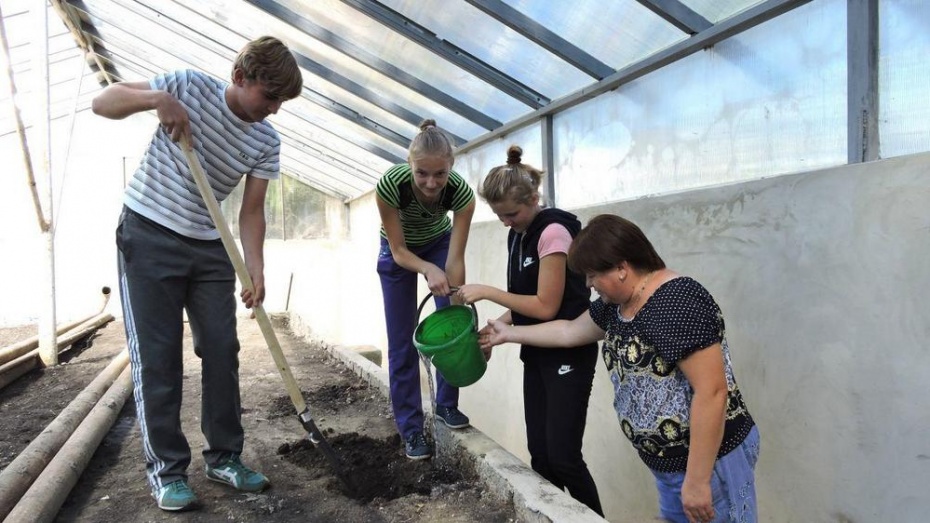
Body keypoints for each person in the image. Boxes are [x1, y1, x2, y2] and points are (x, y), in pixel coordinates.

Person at [92, 36, 303, 511]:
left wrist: (255, 265)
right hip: (147, 235)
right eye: (269, 96)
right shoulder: (187, 87)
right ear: (240, 77)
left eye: (280, 102)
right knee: (159, 357)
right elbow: (101, 102)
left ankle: (225, 457)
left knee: (222, 348)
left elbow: (251, 212)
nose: (274, 110)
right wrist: (157, 100)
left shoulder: (267, 139)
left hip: (211, 247)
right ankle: (166, 471)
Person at [483, 214, 760, 523]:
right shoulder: (619, 305)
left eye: (591, 275)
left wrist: (697, 481)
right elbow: (570, 331)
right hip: (670, 467)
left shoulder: (676, 301)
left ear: (621, 268)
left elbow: (712, 392)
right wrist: (507, 334)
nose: (587, 284)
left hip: (711, 464)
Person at [455, 145, 603, 515]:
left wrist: (487, 291)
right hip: (536, 350)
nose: (506, 221)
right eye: (500, 215)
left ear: (534, 198)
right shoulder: (518, 233)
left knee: (565, 457)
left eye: (511, 213)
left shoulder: (553, 233)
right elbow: (524, 302)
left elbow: (545, 306)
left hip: (568, 351)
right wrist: (495, 327)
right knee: (541, 455)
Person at [375, 119, 476, 460]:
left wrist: (457, 296)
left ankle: (446, 405)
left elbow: (456, 255)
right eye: (422, 173)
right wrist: (427, 268)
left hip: (438, 243)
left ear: (451, 168)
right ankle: (412, 430)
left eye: (440, 174)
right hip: (397, 251)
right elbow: (401, 251)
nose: (431, 183)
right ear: (410, 165)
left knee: (449, 324)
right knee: (402, 340)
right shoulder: (390, 186)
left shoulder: (461, 194)